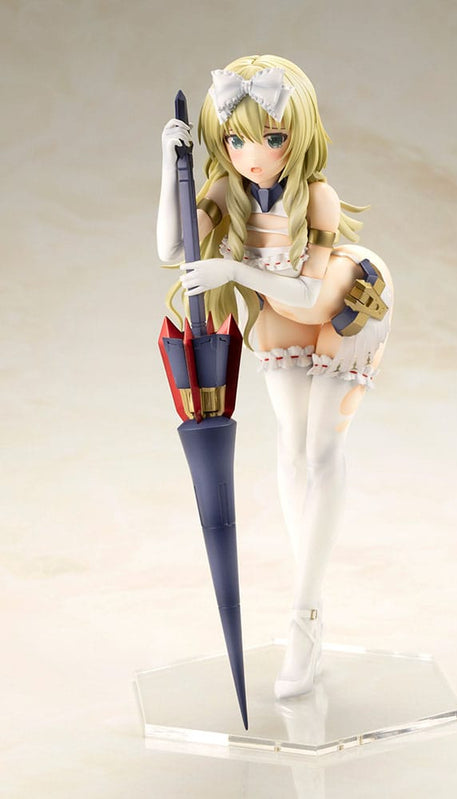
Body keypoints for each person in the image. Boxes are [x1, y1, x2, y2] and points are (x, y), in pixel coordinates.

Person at [157, 54, 393, 700]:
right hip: (282, 314)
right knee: (290, 449)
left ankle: (303, 616)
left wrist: (233, 271)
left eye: (271, 137)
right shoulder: (225, 192)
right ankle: (307, 606)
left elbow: (314, 295)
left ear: (299, 132)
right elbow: (172, 249)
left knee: (321, 449)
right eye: (236, 141)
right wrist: (170, 166)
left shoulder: (314, 195)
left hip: (344, 305)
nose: (253, 156)